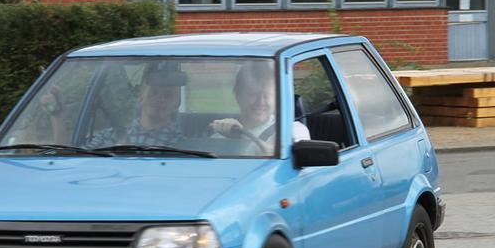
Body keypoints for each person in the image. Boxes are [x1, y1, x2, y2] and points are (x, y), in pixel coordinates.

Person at [40, 63, 185, 148]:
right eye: (154, 93)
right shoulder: (110, 136)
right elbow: (67, 163)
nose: (160, 99)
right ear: (141, 98)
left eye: (168, 95)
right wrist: (57, 117)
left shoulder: (184, 144)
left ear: (177, 104)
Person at [209, 63, 310, 152]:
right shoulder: (219, 136)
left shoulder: (292, 131)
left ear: (277, 99)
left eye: (268, 95)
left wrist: (241, 137)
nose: (261, 102)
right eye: (253, 94)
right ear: (238, 96)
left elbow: (284, 163)